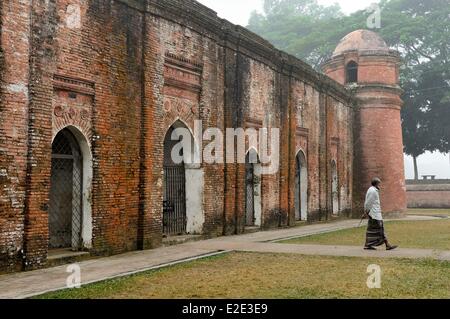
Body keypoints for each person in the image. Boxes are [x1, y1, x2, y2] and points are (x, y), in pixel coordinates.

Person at [364, 178, 398, 251]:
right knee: (380, 229)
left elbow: (368, 202)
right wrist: (366, 211)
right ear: (376, 184)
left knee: (372, 230)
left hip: (374, 213)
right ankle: (387, 245)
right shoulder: (373, 191)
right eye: (379, 184)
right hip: (374, 214)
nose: (380, 185)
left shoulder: (372, 190)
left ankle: (368, 245)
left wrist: (366, 211)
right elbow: (368, 202)